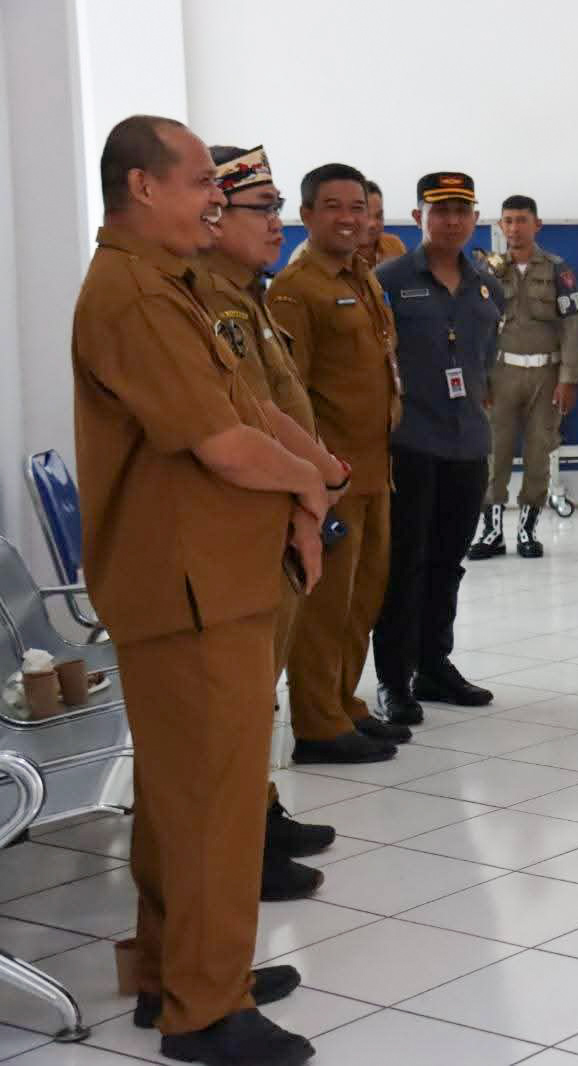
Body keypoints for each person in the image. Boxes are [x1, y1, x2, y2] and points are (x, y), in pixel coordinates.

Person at [74, 114, 316, 1064]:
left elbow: (244, 407)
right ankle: (205, 1011)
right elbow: (220, 444)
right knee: (213, 804)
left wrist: (312, 472)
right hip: (186, 585)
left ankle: (171, 971)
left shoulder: (166, 287)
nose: (213, 201)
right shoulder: (134, 296)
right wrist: (306, 483)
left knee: (186, 797)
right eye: (198, 187)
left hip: (207, 576)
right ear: (142, 187)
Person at [192, 144, 343, 904]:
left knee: (264, 687)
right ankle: (242, 844)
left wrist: (322, 472)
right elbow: (244, 424)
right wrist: (312, 479)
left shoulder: (245, 294)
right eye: (263, 209)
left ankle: (262, 812)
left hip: (283, 516)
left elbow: (278, 406)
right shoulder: (205, 304)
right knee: (246, 696)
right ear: (213, 215)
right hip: (256, 522)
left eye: (279, 207)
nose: (277, 223)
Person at [269, 164, 410, 756]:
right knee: (326, 606)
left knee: (363, 600)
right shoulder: (295, 288)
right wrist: (316, 477)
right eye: (333, 206)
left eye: (360, 207)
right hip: (333, 477)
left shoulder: (364, 275)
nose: (350, 218)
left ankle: (344, 703)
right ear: (305, 215)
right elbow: (289, 393)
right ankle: (317, 723)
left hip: (375, 468)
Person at [372, 172, 502, 721]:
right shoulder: (390, 280)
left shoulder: (484, 282)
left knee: (448, 562)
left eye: (462, 210)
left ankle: (434, 666)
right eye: (440, 209)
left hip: (467, 442)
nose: (452, 220)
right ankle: (393, 679)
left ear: (475, 217)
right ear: (417, 216)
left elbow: (485, 356)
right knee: (405, 564)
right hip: (411, 441)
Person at [468, 195, 578, 560]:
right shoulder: (485, 272)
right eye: (508, 220)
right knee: (493, 455)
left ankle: (528, 530)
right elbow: (476, 328)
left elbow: (573, 326)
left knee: (539, 453)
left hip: (547, 375)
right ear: (501, 226)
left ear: (537, 225)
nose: (514, 228)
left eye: (522, 220)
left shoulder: (557, 270)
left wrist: (570, 379)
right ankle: (491, 532)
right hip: (501, 374)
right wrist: (480, 378)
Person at [360, 179, 408, 267]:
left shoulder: (394, 246)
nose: (372, 224)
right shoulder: (335, 256)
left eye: (378, 216)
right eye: (365, 216)